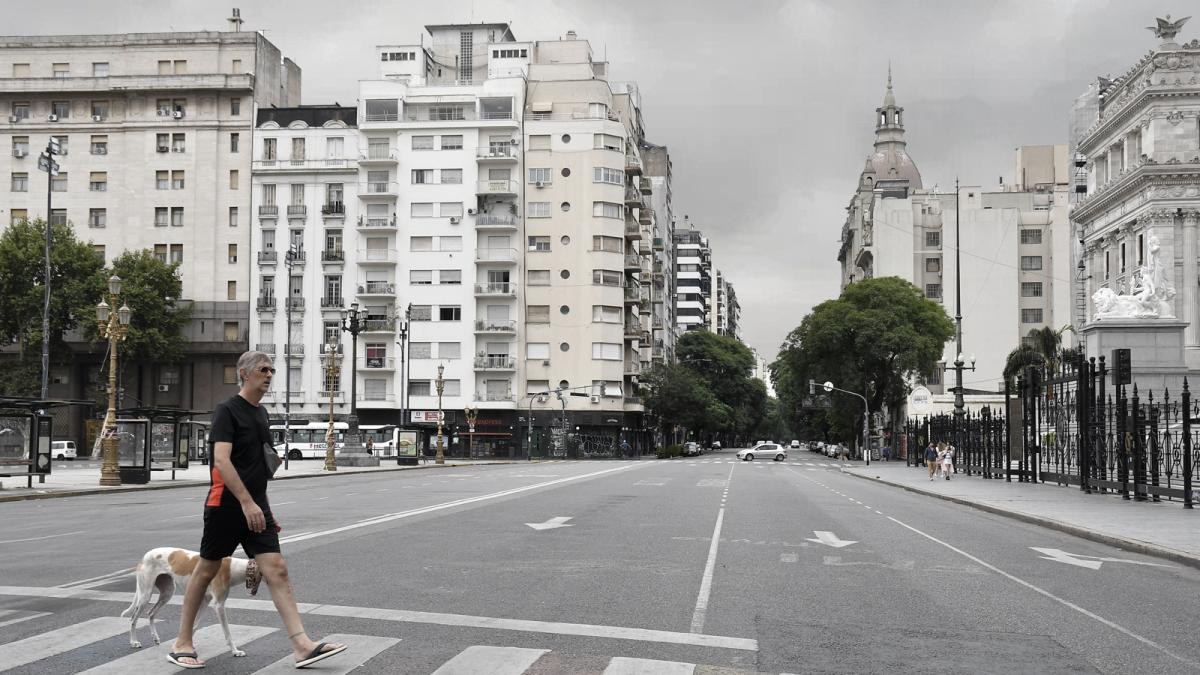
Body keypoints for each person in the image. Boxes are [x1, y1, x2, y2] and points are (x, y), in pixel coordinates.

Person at [168, 351, 347, 670]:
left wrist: (264, 506)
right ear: (244, 374)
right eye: (263, 369)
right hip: (225, 506)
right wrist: (248, 502)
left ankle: (302, 646)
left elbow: (261, 462)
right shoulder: (227, 411)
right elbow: (222, 461)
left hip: (256, 508)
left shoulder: (261, 414)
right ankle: (183, 641)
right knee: (207, 570)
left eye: (271, 370)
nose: (269, 375)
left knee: (276, 569)